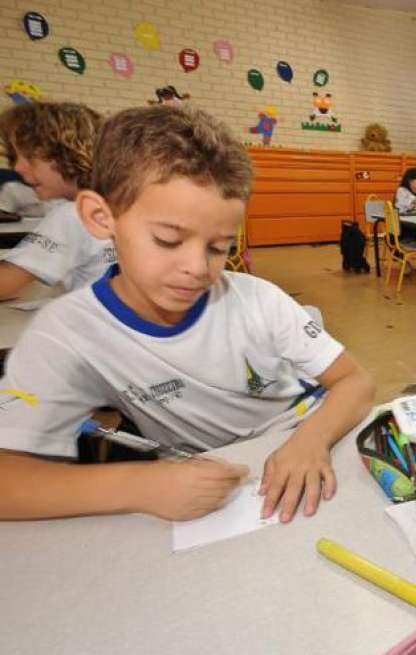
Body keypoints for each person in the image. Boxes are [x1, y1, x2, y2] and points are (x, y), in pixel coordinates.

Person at [0, 105, 375, 523]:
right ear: (99, 216)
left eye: (219, 248)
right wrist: (140, 484)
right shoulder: (66, 332)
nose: (198, 268)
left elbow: (355, 381)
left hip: (314, 435)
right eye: (167, 240)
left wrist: (310, 441)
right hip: (225, 477)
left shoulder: (257, 299)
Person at [0, 102, 116, 300]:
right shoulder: (115, 203)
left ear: (68, 154)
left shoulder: (73, 214)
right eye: (14, 158)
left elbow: (4, 284)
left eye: (28, 157)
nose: (18, 168)